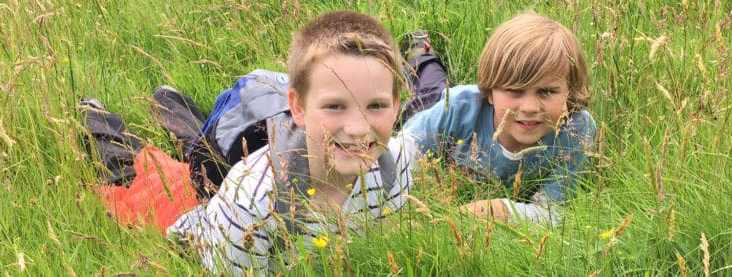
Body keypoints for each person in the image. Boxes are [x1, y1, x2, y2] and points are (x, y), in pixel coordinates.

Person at [164, 10, 414, 274]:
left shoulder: (395, 163)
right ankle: (168, 108)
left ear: (396, 106)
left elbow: (381, 245)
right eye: (335, 106)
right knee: (160, 174)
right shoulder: (247, 204)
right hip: (207, 230)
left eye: (376, 105)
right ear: (298, 106)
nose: (358, 128)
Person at [402, 14, 597, 223]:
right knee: (429, 89)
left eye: (546, 91)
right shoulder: (457, 108)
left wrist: (504, 210)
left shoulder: (575, 129)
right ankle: (420, 48)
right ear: (490, 91)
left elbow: (553, 213)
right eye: (514, 90)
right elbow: (400, 157)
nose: (530, 107)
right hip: (434, 110)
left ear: (570, 92)